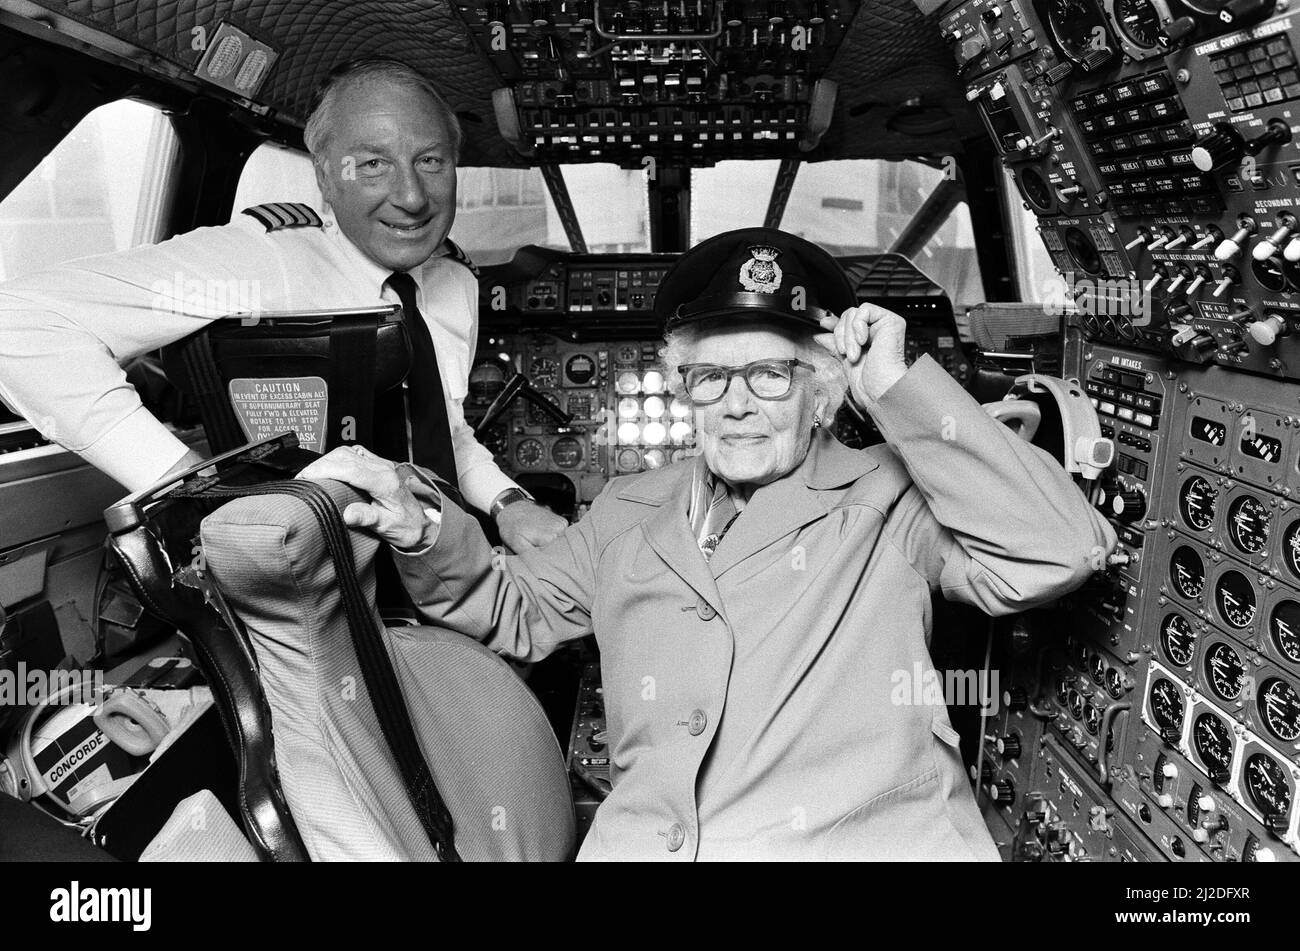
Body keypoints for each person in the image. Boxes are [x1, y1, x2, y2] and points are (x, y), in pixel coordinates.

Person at [297, 228, 1119, 860]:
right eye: (710, 378)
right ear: (683, 389)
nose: (736, 404)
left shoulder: (889, 494)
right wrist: (425, 526)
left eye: (771, 375)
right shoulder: (629, 507)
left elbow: (1056, 550)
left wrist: (901, 388)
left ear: (826, 389)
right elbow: (508, 607)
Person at [0, 58, 566, 551]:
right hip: (318, 576)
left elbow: (442, 427)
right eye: (372, 164)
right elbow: (18, 324)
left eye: (430, 161)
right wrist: (193, 485)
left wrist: (509, 505)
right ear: (324, 175)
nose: (412, 197)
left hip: (440, 552)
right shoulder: (261, 262)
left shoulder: (453, 281)